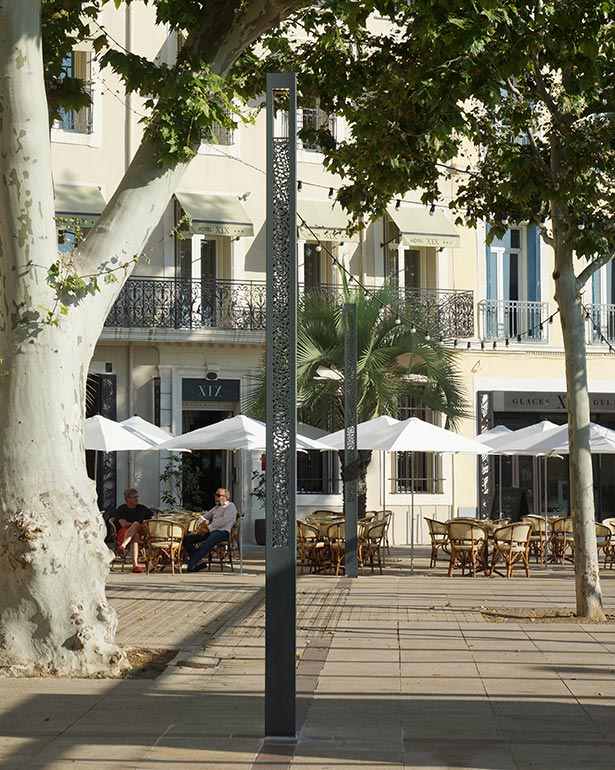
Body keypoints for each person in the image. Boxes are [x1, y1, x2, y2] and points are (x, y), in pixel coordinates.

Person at [182, 488, 237, 573]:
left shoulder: (230, 506)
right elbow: (205, 516)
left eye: (218, 495)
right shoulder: (216, 508)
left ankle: (189, 564)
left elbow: (224, 521)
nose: (216, 497)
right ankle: (198, 562)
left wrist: (208, 528)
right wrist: (199, 521)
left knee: (206, 543)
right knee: (187, 539)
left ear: (225, 497)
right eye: (215, 495)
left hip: (222, 532)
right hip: (211, 531)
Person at [114, 488, 153, 573]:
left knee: (137, 529)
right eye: (134, 497)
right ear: (127, 498)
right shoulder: (122, 509)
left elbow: (152, 517)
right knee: (135, 534)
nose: (137, 499)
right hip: (123, 533)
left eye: (137, 497)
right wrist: (136, 525)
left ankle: (122, 546)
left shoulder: (141, 508)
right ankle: (135, 565)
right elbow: (123, 524)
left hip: (138, 533)